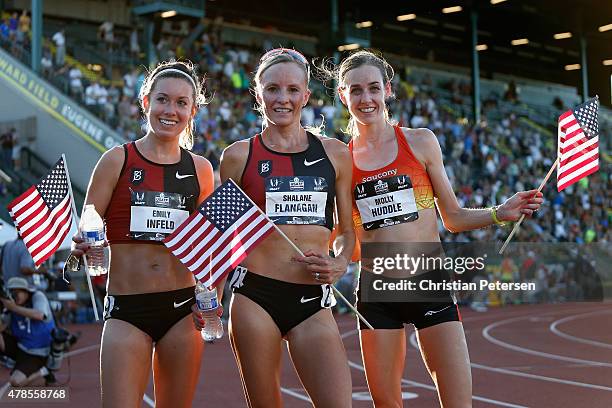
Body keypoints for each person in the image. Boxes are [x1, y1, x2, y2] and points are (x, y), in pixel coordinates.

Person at [323, 50, 544, 407]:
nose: (366, 99)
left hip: (428, 280)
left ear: (388, 90)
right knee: (386, 403)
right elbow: (348, 236)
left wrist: (501, 212)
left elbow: (453, 218)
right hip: (377, 288)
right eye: (356, 90)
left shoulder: (420, 141)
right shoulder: (342, 160)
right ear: (343, 95)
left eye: (373, 88)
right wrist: (335, 256)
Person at [193, 48, 355, 407]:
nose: (283, 99)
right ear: (258, 93)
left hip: (312, 299)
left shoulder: (336, 153)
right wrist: (211, 297)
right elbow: (222, 234)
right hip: (255, 296)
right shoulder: (238, 156)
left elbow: (346, 231)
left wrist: (340, 263)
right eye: (273, 89)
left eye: (293, 90)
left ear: (307, 95)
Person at [71, 60, 214, 408]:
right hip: (126, 310)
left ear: (192, 110)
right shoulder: (115, 160)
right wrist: (81, 245)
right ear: (146, 102)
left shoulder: (201, 169)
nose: (171, 110)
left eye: (182, 103)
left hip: (182, 310)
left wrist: (212, 297)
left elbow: (211, 246)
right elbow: (87, 231)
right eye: (163, 99)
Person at [0, 277, 55, 387]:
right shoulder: (11, 304)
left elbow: (39, 315)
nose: (15, 295)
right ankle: (12, 362)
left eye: (17, 292)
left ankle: (45, 370)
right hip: (21, 346)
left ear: (26, 291)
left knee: (15, 382)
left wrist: (13, 308)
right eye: (12, 292)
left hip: (38, 351)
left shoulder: (37, 296)